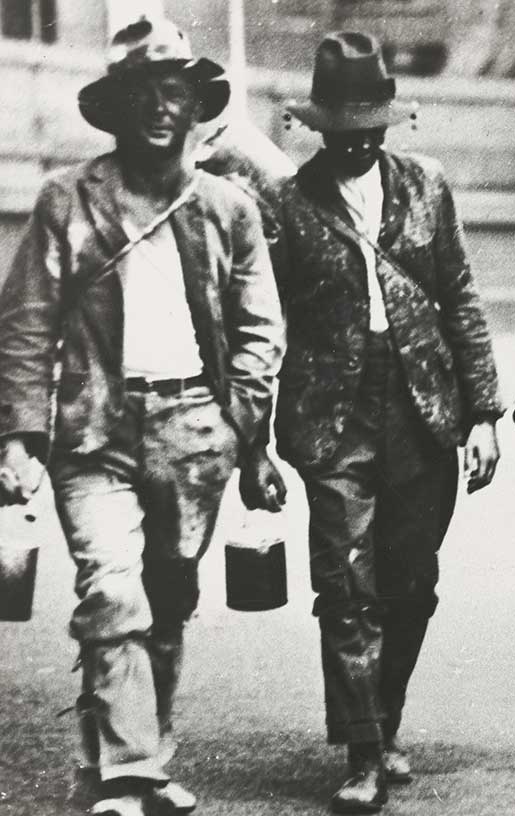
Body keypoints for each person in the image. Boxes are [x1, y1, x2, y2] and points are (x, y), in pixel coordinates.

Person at [0, 17, 284, 816]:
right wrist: (20, 435)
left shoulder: (227, 207)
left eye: (178, 93)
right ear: (117, 106)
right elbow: (26, 320)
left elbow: (261, 328)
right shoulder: (68, 198)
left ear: (196, 106)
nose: (163, 108)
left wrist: (245, 430)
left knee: (167, 597)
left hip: (195, 428)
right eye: (145, 93)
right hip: (94, 429)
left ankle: (121, 762)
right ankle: (132, 768)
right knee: (112, 586)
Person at [242, 31, 503, 814]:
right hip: (331, 416)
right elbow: (263, 321)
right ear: (319, 126)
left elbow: (460, 297)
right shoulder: (284, 205)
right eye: (344, 126)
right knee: (346, 584)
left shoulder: (428, 186)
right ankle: (361, 750)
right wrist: (254, 435)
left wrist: (484, 412)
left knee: (411, 582)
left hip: (424, 410)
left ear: (390, 122)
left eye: (370, 125)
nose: (358, 140)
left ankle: (384, 721)